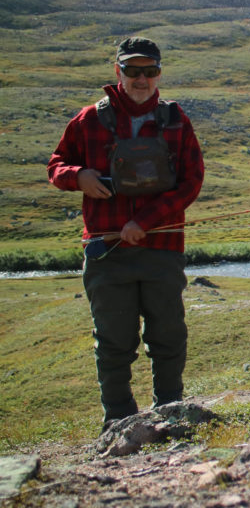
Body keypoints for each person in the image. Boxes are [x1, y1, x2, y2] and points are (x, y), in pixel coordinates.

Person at [46, 37, 205, 429]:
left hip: (162, 248)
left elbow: (191, 181)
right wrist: (77, 176)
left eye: (149, 71)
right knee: (114, 342)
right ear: (117, 72)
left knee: (168, 335)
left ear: (158, 75)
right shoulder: (87, 121)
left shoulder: (176, 120)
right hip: (105, 252)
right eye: (132, 71)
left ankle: (169, 413)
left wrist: (145, 221)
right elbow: (55, 165)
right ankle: (118, 422)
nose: (141, 79)